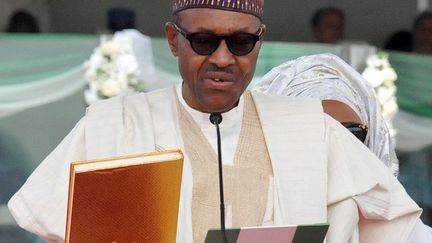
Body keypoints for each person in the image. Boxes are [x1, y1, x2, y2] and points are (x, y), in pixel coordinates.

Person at [8, 1, 431, 242]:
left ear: (259, 42)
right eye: (205, 40)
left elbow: (400, 230)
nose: (223, 58)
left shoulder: (309, 131)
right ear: (174, 40)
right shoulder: (118, 127)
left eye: (241, 42)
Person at [254, 53, 399, 176]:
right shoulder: (245, 206)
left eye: (352, 134)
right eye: (315, 132)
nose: (335, 151)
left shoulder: (393, 207)